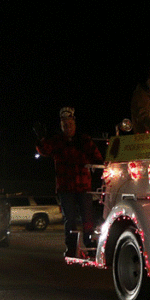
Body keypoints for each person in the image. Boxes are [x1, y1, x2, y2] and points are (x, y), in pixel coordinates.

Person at [35, 107, 103, 256]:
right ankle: (72, 247)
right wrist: (41, 139)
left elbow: (97, 157)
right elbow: (44, 150)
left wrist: (102, 168)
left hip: (83, 186)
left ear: (75, 124)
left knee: (87, 218)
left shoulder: (84, 140)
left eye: (70, 124)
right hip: (66, 188)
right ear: (61, 126)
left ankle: (90, 244)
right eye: (65, 125)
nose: (68, 127)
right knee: (70, 220)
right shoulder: (56, 141)